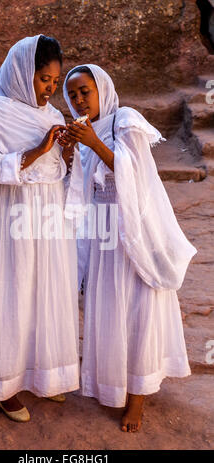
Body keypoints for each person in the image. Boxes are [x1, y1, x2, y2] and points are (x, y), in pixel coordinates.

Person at [61, 64, 197, 432]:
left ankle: (138, 397)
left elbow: (134, 174)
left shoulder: (126, 121)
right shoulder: (85, 130)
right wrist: (71, 153)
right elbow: (84, 187)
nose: (78, 99)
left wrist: (92, 143)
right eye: (71, 94)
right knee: (108, 307)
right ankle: (114, 383)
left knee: (138, 307)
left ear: (102, 88)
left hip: (135, 229)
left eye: (84, 91)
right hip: (103, 232)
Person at [0, 35, 84, 422]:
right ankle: (1, 386)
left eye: (55, 81)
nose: (51, 89)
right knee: (13, 292)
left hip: (48, 216)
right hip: (13, 217)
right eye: (44, 79)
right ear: (22, 73)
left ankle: (43, 374)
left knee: (48, 289)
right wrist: (37, 149)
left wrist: (63, 149)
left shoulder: (50, 115)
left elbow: (56, 172)